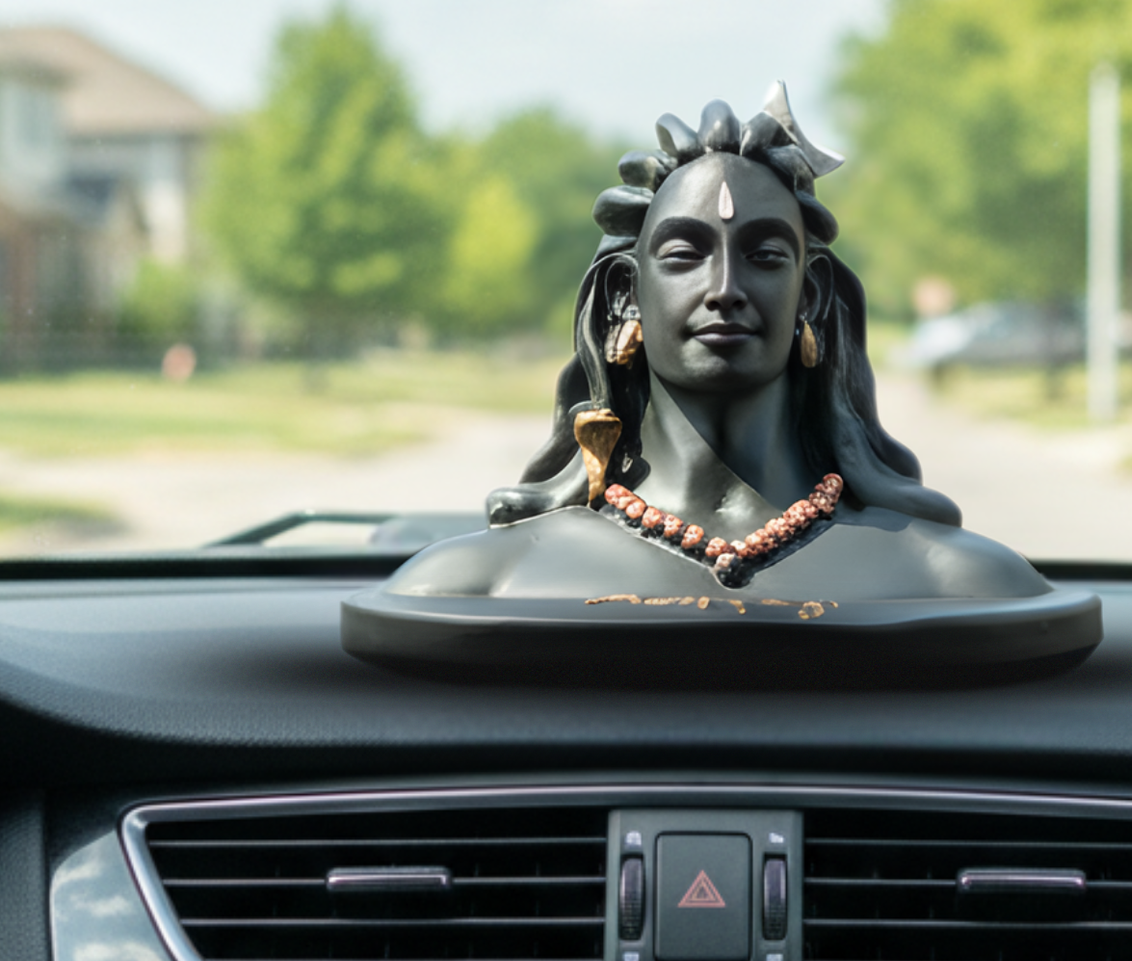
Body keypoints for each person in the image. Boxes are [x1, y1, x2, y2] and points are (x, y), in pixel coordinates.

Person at [385, 85, 1046, 604]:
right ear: (624, 293)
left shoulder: (951, 579)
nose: (725, 287)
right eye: (682, 253)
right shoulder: (478, 582)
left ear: (810, 293)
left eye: (762, 253)